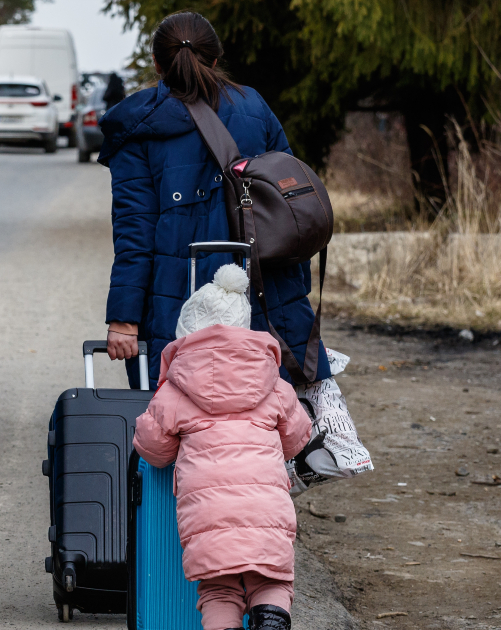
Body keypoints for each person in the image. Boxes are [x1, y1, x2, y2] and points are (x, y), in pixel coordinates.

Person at [97, 11, 330, 389]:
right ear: (216, 58)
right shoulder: (254, 107)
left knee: (182, 413)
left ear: (157, 63)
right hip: (262, 290)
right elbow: (292, 208)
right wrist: (294, 293)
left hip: (176, 302)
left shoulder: (137, 129)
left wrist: (124, 319)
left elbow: (134, 232)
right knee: (268, 411)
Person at [132, 263, 311, 630]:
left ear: (186, 335)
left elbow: (154, 451)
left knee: (218, 590)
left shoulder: (175, 391)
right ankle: (272, 621)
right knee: (272, 579)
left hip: (207, 515)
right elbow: (296, 440)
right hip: (266, 509)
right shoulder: (275, 385)